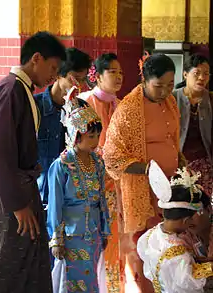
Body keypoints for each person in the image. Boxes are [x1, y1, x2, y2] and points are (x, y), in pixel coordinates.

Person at [0, 31, 66, 293]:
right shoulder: (11, 89)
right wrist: (16, 204)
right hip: (12, 196)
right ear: (36, 58)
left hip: (23, 190)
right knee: (11, 262)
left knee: (29, 260)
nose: (54, 75)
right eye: (53, 67)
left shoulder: (21, 89)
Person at [103, 53, 181, 292]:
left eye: (170, 85)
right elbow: (112, 156)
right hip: (144, 191)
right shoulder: (128, 109)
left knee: (169, 245)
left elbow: (172, 141)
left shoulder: (169, 102)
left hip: (169, 188)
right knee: (146, 247)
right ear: (145, 80)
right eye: (159, 86)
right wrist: (147, 169)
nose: (166, 91)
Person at [47, 86, 111, 292]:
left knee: (91, 281)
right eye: (91, 136)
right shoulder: (61, 165)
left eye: (98, 135)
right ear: (76, 135)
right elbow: (56, 204)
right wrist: (56, 239)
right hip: (71, 236)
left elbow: (101, 198)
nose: (96, 141)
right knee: (70, 282)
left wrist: (105, 229)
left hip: (93, 233)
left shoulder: (98, 162)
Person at [79, 53, 123, 292]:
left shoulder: (121, 105)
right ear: (97, 75)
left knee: (113, 240)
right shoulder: (84, 102)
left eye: (121, 72)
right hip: (90, 183)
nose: (118, 77)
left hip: (115, 184)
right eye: (112, 72)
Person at [137, 160, 213, 293]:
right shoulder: (177, 252)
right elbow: (189, 280)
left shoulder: (150, 235)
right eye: (191, 219)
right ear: (186, 221)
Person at [34, 47, 92, 206]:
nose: (78, 85)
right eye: (74, 79)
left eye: (82, 80)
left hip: (72, 194)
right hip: (42, 194)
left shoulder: (82, 108)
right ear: (59, 74)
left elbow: (89, 146)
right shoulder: (34, 106)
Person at [173, 54, 212, 196]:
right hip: (178, 165)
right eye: (197, 73)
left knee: (203, 207)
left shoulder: (210, 100)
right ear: (185, 74)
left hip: (205, 165)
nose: (202, 78)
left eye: (206, 74)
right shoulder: (172, 98)